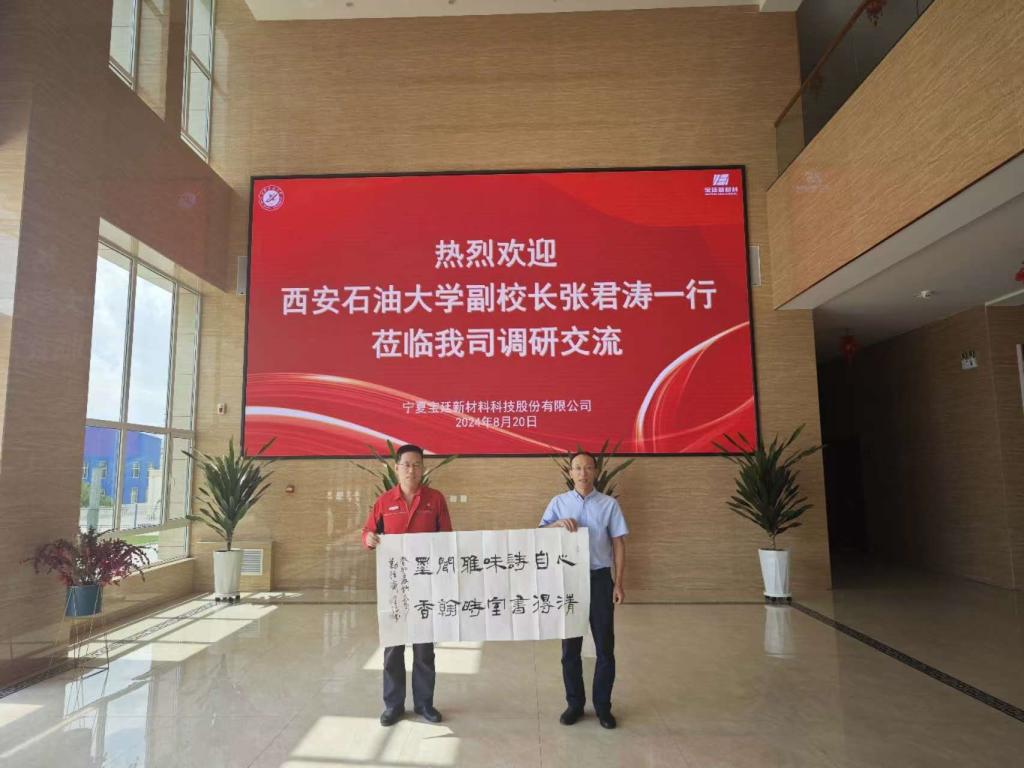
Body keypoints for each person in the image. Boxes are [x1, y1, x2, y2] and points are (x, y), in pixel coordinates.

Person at [362, 443, 453, 727]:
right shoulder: (384, 501)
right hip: (395, 586)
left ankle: (425, 704)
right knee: (393, 648)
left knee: (424, 648)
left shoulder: (435, 499)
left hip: (425, 584)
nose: (411, 470)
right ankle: (393, 705)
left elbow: (447, 537)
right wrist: (368, 539)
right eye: (406, 464)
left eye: (416, 464)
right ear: (396, 468)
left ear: (423, 468)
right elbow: (368, 531)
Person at [540, 450, 628, 729]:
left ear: (596, 472)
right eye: (577, 468)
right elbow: (540, 536)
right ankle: (574, 704)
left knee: (605, 647)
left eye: (588, 467)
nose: (583, 473)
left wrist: (618, 582)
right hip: (569, 581)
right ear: (570, 473)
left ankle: (603, 707)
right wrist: (556, 524)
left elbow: (618, 543)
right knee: (570, 649)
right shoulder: (559, 503)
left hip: (600, 579)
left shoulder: (609, 505)